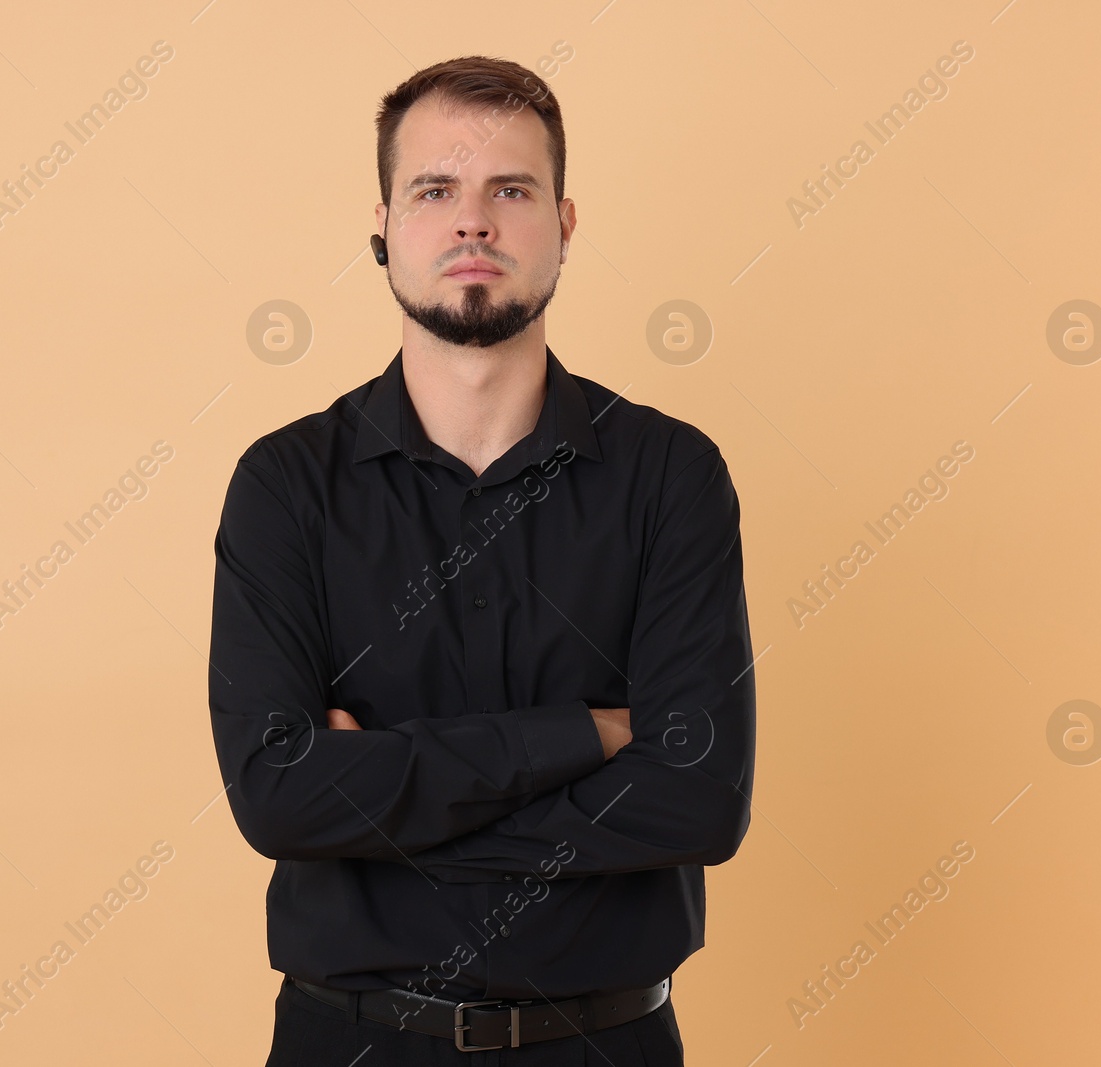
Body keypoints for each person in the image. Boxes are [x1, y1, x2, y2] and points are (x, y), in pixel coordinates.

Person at [209, 54, 755, 1065]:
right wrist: (587, 735)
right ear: (382, 226)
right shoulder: (285, 484)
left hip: (607, 1041)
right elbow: (277, 795)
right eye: (434, 191)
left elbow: (701, 795)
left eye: (510, 189)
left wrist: (379, 802)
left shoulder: (670, 474)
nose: (473, 221)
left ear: (563, 224)